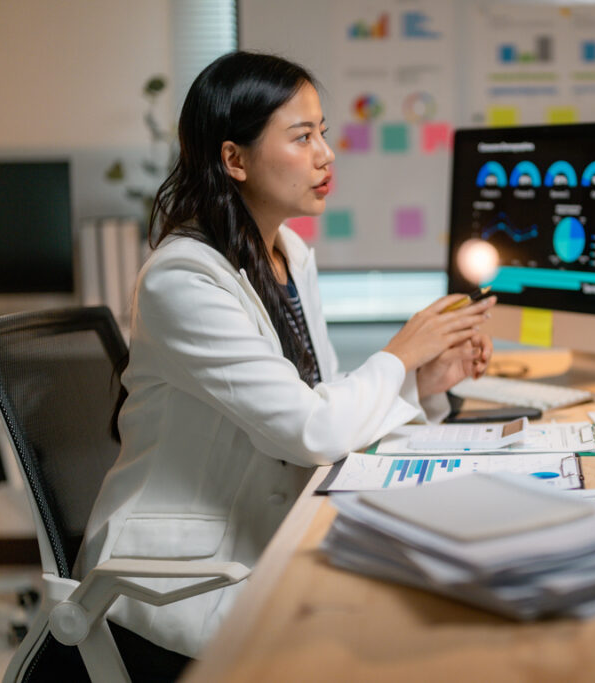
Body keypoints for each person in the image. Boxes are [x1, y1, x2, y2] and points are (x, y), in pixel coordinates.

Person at [76, 51, 496, 664]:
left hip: (260, 545)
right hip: (168, 582)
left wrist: (424, 382)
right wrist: (400, 355)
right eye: (302, 137)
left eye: (323, 132)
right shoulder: (182, 279)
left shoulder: (290, 254)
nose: (326, 153)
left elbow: (318, 407)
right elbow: (310, 430)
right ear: (234, 159)